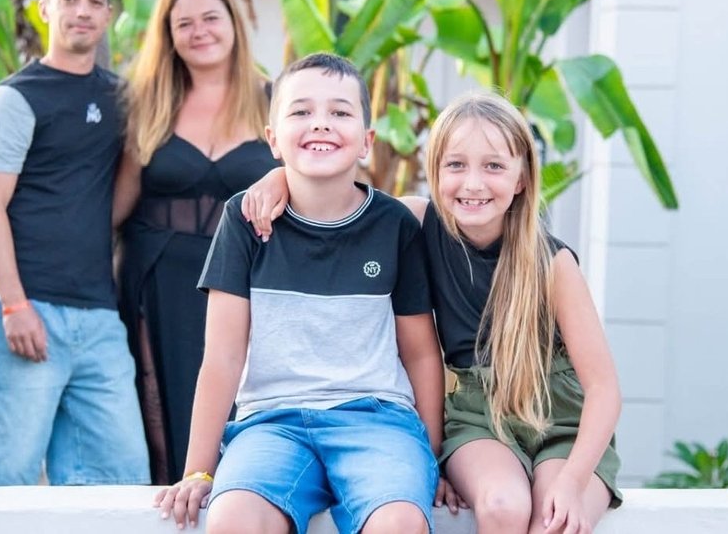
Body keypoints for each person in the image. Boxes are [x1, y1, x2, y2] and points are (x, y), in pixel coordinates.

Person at [244, 91, 623, 533]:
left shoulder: (552, 264)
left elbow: (604, 389)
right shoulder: (415, 221)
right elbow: (337, 196)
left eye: (494, 166)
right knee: (503, 505)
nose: (473, 184)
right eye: (456, 165)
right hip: (478, 418)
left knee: (554, 520)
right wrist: (279, 179)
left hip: (561, 423)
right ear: (435, 172)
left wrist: (574, 482)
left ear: (522, 178)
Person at [155, 53, 447, 533]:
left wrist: (431, 459)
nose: (321, 124)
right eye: (301, 111)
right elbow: (223, 358)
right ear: (272, 139)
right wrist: (197, 470)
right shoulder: (244, 221)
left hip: (378, 422)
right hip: (272, 424)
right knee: (232, 520)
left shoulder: (395, 226)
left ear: (366, 142)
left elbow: (420, 355)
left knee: (399, 522)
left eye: (339, 112)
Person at [0, 0, 149, 487]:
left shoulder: (122, 100)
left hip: (98, 320)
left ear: (108, 15)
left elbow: (114, 202)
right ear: (44, 9)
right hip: (17, 310)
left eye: (93, 2)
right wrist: (15, 305)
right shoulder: (16, 99)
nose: (82, 11)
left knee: (119, 481)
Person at [113, 0, 277, 484]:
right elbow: (120, 202)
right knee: (159, 408)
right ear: (168, 35)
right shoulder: (148, 103)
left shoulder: (275, 98)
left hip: (248, 277)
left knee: (242, 405)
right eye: (184, 23)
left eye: (211, 17)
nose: (199, 31)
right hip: (157, 274)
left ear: (233, 24)